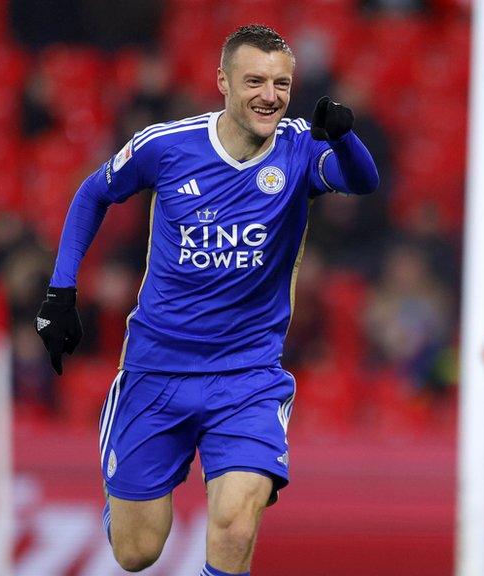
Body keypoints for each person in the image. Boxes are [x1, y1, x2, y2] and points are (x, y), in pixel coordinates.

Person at [33, 24, 379, 575]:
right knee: (137, 552)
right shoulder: (166, 146)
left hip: (247, 374)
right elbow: (93, 192)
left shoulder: (299, 148)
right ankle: (122, 503)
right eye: (255, 81)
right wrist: (61, 291)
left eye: (282, 83)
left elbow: (362, 180)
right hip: (157, 367)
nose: (270, 95)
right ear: (222, 81)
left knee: (236, 522)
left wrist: (344, 136)